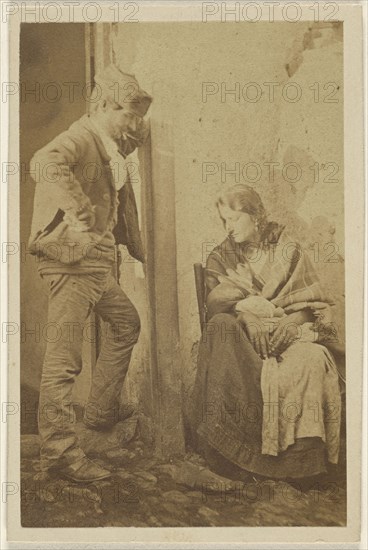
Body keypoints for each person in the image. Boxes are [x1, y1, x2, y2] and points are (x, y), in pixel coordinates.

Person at [28, 65, 152, 482]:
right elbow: (44, 162)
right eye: (127, 116)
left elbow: (123, 167)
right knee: (64, 361)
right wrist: (79, 212)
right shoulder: (81, 137)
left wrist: (129, 243)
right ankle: (59, 455)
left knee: (125, 324)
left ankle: (98, 418)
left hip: (95, 260)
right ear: (103, 106)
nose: (133, 126)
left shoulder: (109, 145)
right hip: (73, 260)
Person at [191, 184, 343, 482]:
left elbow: (310, 303)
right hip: (246, 340)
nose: (228, 227)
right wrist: (247, 317)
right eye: (224, 221)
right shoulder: (221, 257)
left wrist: (292, 322)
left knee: (313, 358)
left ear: (256, 216)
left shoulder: (288, 249)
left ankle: (302, 467)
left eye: (234, 219)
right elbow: (218, 309)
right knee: (224, 332)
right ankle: (235, 457)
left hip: (286, 332)